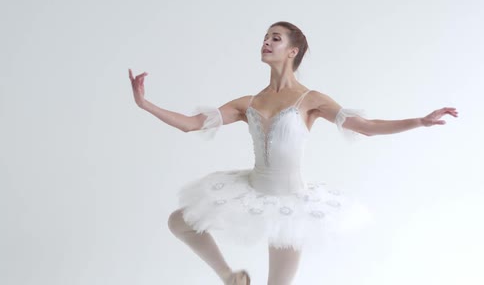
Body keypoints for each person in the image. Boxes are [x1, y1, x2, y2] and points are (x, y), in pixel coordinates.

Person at [128, 21, 458, 285]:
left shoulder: (311, 100)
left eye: (276, 38)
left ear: (292, 51)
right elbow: (191, 124)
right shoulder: (249, 103)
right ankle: (231, 278)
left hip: (291, 204)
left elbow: (366, 126)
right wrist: (145, 104)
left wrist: (419, 121)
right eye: (265, 37)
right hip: (251, 191)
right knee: (179, 223)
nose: (266, 42)